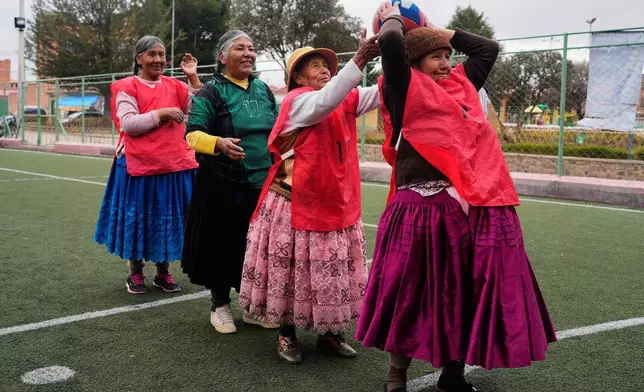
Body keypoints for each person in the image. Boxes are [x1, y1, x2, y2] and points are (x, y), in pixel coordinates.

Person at [356, 3, 556, 392]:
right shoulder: (401, 87)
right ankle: (396, 376)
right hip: (419, 209)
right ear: (414, 62)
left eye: (448, 57)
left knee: (463, 292)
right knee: (409, 293)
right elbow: (394, 41)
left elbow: (488, 49)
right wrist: (395, 17)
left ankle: (453, 375)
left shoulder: (464, 84)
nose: (446, 63)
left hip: (467, 210)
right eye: (435, 57)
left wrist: (439, 33)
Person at [239, 29, 381, 364]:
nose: (324, 69)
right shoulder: (299, 102)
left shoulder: (343, 96)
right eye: (314, 65)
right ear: (298, 77)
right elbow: (325, 101)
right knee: (293, 272)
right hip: (294, 204)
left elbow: (380, 94)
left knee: (330, 273)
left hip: (335, 204)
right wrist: (359, 59)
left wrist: (398, 52)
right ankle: (286, 334)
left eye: (326, 64)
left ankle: (329, 333)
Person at [181, 30, 279, 334]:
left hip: (263, 184)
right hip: (223, 184)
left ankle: (251, 306)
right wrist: (219, 144)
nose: (249, 53)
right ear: (223, 57)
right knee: (221, 243)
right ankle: (220, 305)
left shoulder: (263, 89)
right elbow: (192, 135)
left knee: (257, 248)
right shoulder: (211, 91)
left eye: (252, 48)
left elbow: (278, 129)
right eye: (240, 48)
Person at [94, 36, 201, 295]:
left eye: (161, 55)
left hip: (174, 165)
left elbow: (200, 109)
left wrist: (193, 78)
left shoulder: (176, 85)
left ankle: (163, 273)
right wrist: (161, 114)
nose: (158, 60)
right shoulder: (127, 86)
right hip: (137, 165)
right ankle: (135, 272)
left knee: (166, 220)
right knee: (140, 220)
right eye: (151, 54)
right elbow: (129, 124)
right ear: (139, 58)